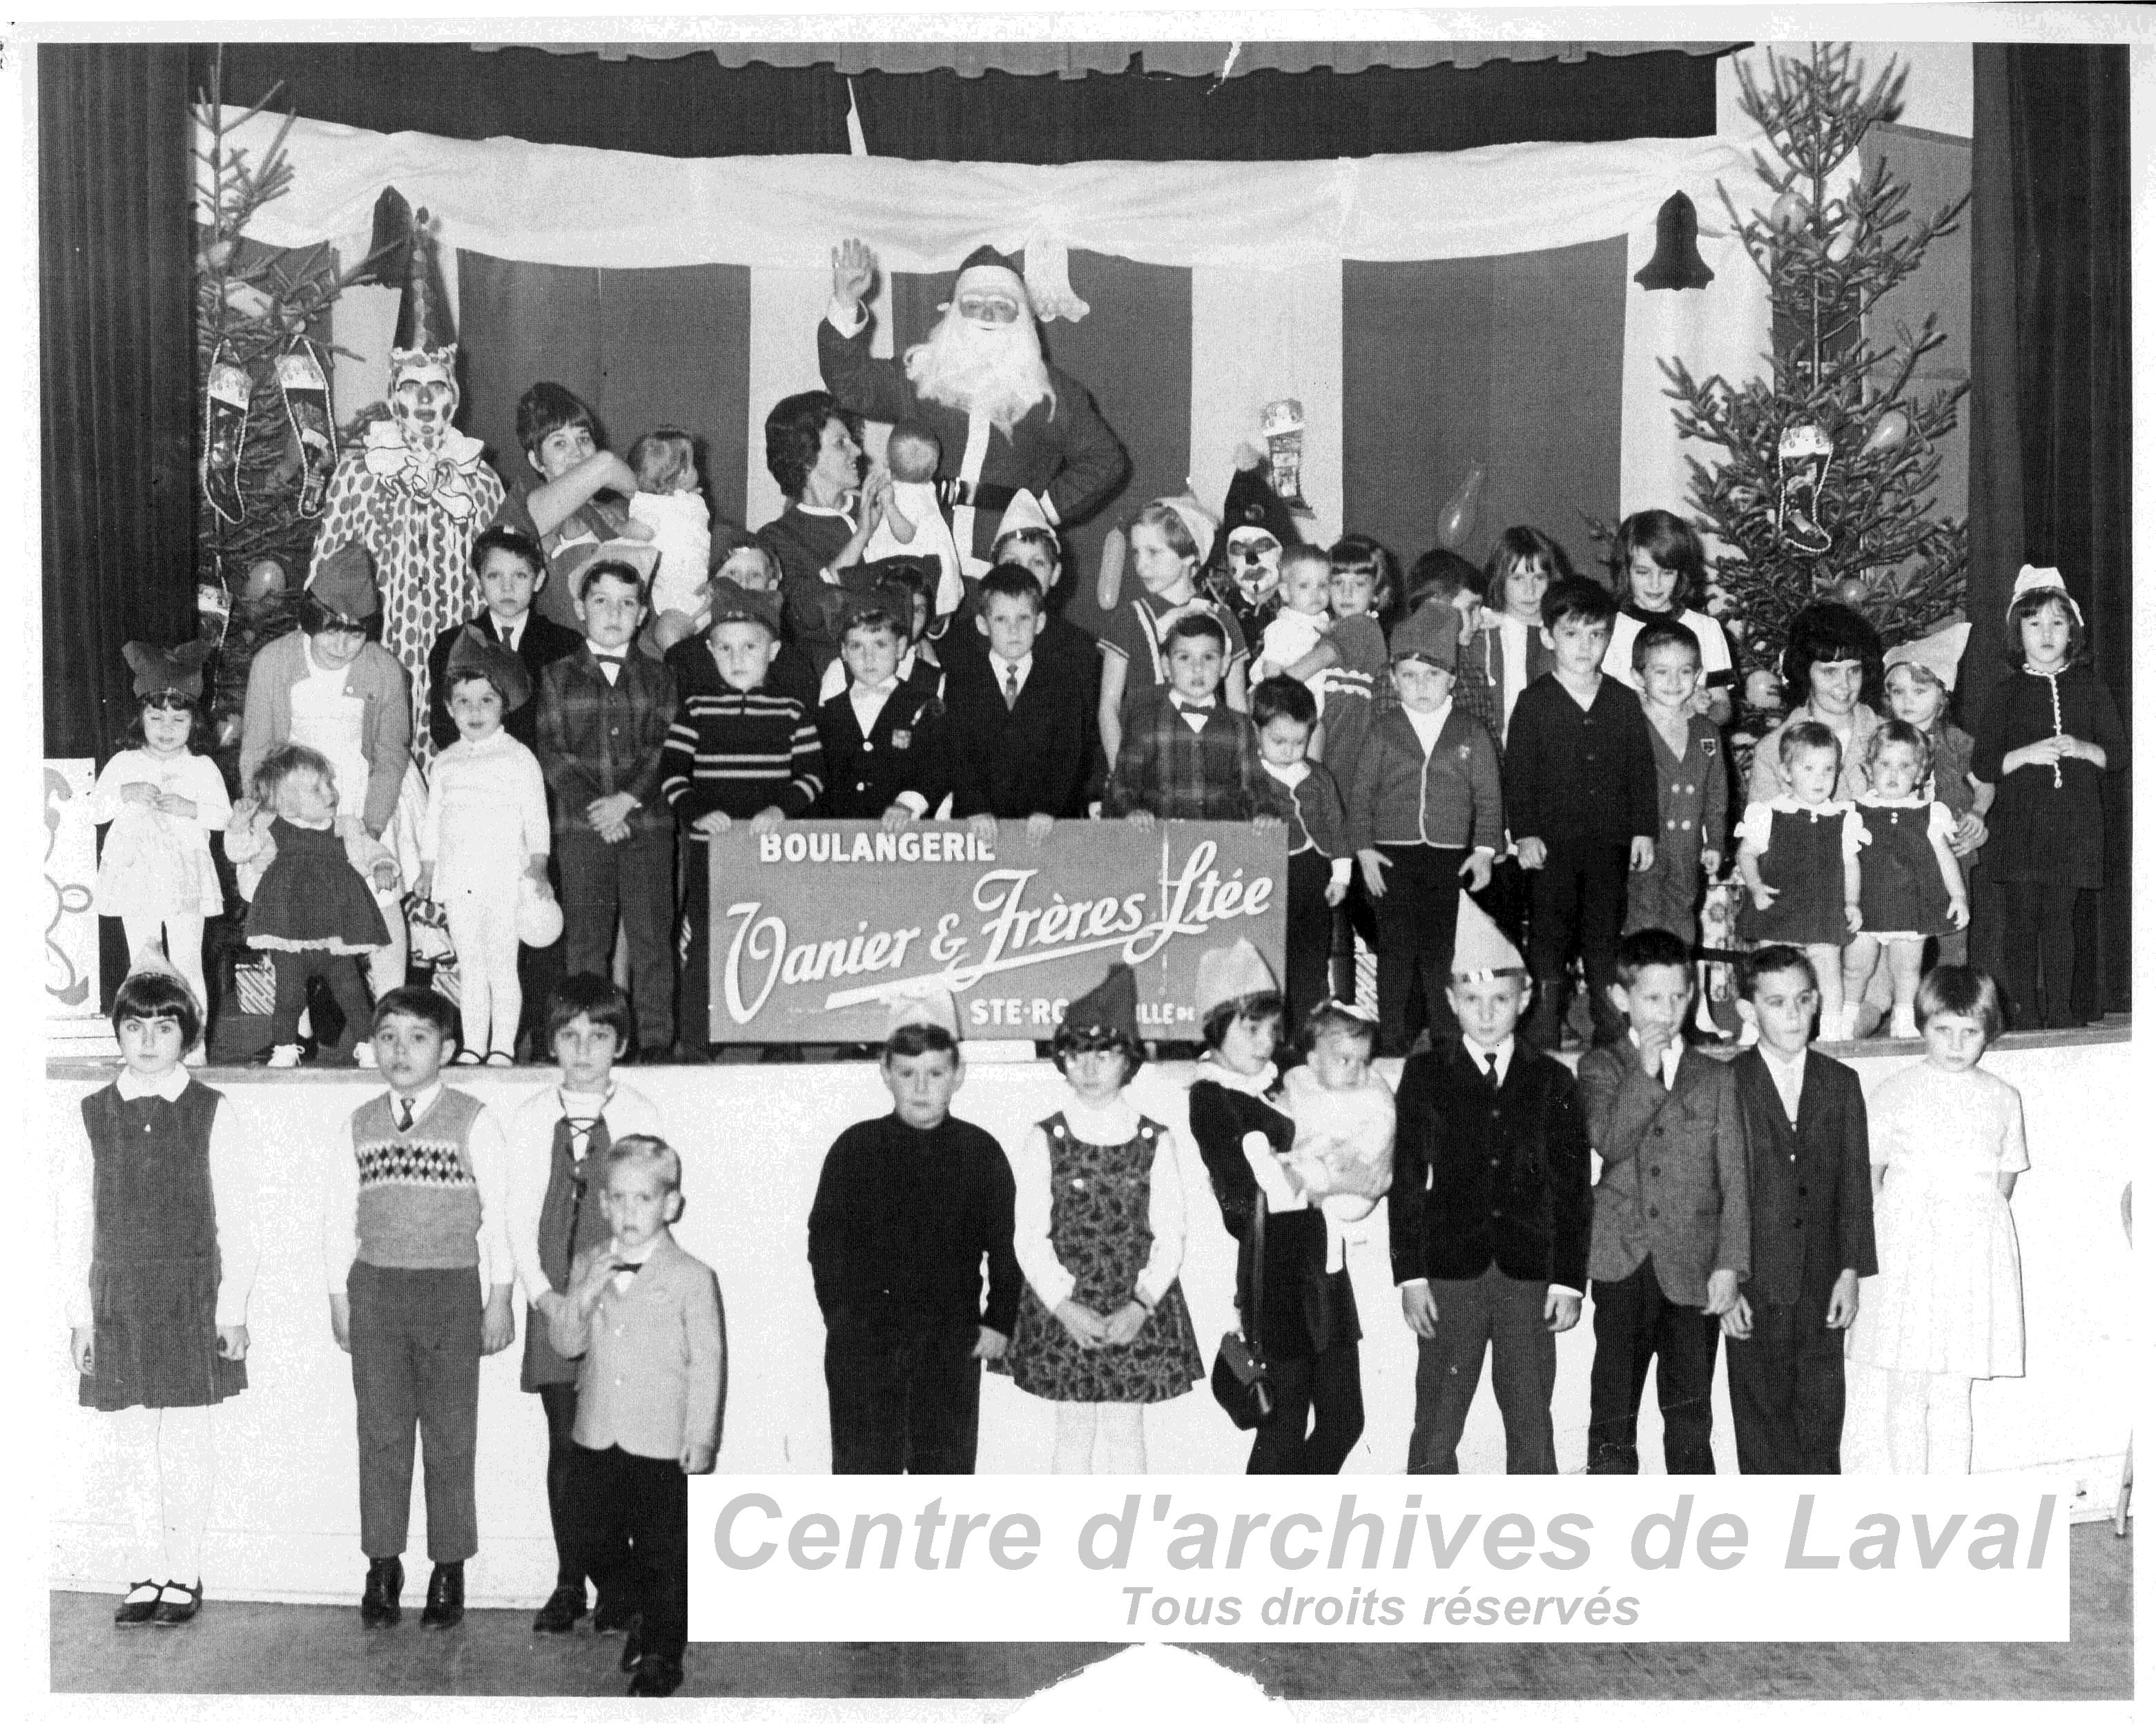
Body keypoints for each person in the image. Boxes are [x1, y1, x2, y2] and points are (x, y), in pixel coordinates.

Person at [59, 962, 257, 1625]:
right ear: (117, 1031)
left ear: (187, 1035)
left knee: (188, 1438)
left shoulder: (210, 1110)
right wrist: (78, 1318)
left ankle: (185, 1570)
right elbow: (72, 1221)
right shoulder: (91, 1114)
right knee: (131, 1441)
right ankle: (145, 1568)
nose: (147, 1040)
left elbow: (239, 1216)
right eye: (134, 1025)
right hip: (118, 1294)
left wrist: (233, 1310)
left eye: (164, 1026)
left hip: (189, 1291)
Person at [320, 986, 516, 1631]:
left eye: (418, 1037)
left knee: (451, 1435)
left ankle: (449, 1568)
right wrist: (338, 1297)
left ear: (448, 1048)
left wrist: (499, 1298)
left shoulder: (473, 1119)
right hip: (376, 1290)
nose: (401, 1051)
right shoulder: (357, 1123)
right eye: (388, 1037)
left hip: (451, 1291)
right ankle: (382, 1564)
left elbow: (499, 1221)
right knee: (380, 1433)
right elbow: (333, 1220)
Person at [1389, 898, 1590, 1473]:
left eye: (1500, 999)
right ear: (1451, 1001)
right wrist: (1410, 1273)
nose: (1485, 1013)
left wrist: (1567, 1280)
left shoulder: (1551, 1079)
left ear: (1524, 1000)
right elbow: (1406, 1179)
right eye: (1471, 1000)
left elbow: (1572, 1187)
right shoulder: (1426, 1074)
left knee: (1530, 1418)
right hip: (1449, 1270)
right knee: (1436, 1420)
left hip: (1528, 1274)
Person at [505, 975, 666, 1635]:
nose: (583, 1050)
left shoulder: (641, 1113)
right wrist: (544, 1296)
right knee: (567, 1448)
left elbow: (651, 1215)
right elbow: (516, 1216)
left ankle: (621, 1586)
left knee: (618, 1450)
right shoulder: (528, 1116)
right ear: (552, 1044)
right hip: (554, 1306)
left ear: (618, 1044)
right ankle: (571, 1581)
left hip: (619, 1305)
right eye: (569, 1036)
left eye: (597, 1036)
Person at [996, 964, 1205, 1472]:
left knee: (1125, 1432)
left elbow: (1170, 1234)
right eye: (1077, 1052)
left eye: (1105, 1052)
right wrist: (1063, 1306)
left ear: (1127, 1060)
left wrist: (1141, 1304)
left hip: (1133, 1303)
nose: (1090, 1066)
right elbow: (1028, 1235)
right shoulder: (1044, 1138)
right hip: (1066, 1305)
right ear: (1062, 1059)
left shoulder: (1155, 1139)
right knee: (1070, 1435)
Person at [808, 992, 1020, 1473]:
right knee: (864, 1480)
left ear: (958, 1074)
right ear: (885, 1072)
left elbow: (1008, 1246)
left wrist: (999, 1319)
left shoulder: (979, 1152)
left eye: (935, 1073)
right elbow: (825, 1243)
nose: (921, 1087)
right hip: (865, 1347)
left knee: (941, 1482)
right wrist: (841, 1316)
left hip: (948, 1343)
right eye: (907, 1073)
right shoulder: (855, 1148)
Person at [822, 239, 1126, 570]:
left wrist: (1041, 510)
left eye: (1001, 304)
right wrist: (845, 301)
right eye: (974, 303)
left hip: (1004, 569)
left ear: (1022, 315)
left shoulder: (1049, 393)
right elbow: (850, 384)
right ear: (955, 310)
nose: (988, 314)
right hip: (918, 561)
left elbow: (1106, 460)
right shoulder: (921, 375)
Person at [550, 1135, 724, 1698]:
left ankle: (661, 1654)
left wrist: (701, 1436)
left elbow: (707, 1363)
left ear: (670, 1204)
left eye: (643, 1199)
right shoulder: (588, 1262)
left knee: (663, 1552)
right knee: (593, 1537)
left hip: (660, 1439)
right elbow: (568, 1345)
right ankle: (635, 1605)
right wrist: (580, 1296)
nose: (629, 1212)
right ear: (602, 1202)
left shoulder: (692, 1276)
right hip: (596, 1431)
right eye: (618, 1198)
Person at [1186, 941, 1363, 1473]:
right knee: (1281, 1430)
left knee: (1342, 1421)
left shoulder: (1279, 1074)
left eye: (1272, 1029)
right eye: (1251, 1029)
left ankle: (1292, 1530)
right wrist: (1312, 1170)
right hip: (1278, 1278)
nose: (1267, 1042)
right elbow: (1242, 1204)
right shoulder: (1213, 1097)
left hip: (1326, 1268)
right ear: (1215, 1025)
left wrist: (1307, 1166)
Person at [1576, 928, 1749, 1473]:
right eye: (1652, 998)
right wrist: (1644, 1072)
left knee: (1690, 1414)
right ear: (1620, 998)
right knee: (1612, 1410)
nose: (1667, 1010)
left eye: (1678, 996)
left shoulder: (1717, 1075)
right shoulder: (1600, 1067)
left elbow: (1734, 1179)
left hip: (1692, 1265)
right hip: (1621, 1261)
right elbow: (1609, 1139)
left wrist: (1730, 1265)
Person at [1844, 967, 2027, 1473]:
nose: (1956, 1044)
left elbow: (2003, 1182)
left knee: (1953, 1392)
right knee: (1907, 1389)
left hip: (1969, 1259)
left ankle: (1948, 1508)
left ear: (1987, 1032)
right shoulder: (1894, 1091)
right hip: (1909, 1256)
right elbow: (1870, 1174)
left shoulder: (2001, 1097)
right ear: (1923, 1024)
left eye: (1970, 1032)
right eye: (1943, 1030)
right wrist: (1905, 1226)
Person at [240, 543, 420, 1003]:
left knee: (380, 898)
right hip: (295, 795)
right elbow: (258, 749)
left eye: (355, 634)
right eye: (332, 631)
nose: (342, 645)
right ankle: (293, 1027)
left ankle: (392, 1008)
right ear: (310, 619)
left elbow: (390, 755)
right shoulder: (273, 662)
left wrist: (372, 830)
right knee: (292, 905)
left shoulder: (384, 670)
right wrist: (264, 816)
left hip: (362, 792)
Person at [1722, 946, 1876, 1473]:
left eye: (1803, 1000)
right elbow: (1714, 1194)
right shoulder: (1726, 1083)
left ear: (1816, 1003)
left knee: (1819, 1421)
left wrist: (1850, 1271)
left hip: (1820, 1282)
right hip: (1752, 1284)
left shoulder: (1840, 1083)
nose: (1791, 1014)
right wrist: (1725, 1286)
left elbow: (1855, 1186)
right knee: (1759, 1426)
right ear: (1749, 1011)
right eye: (1776, 1001)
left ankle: (1817, 1544)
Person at [659, 580, 823, 1056]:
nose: (737, 658)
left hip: (771, 845)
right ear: (709, 652)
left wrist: (780, 808)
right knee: (708, 939)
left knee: (777, 935)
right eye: (725, 648)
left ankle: (780, 1038)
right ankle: (697, 1038)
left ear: (772, 651)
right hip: (713, 845)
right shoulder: (695, 709)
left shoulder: (793, 711)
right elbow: (672, 772)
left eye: (749, 647)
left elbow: (812, 775)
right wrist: (696, 812)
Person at [1504, 576, 1659, 1051]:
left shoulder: (1621, 700)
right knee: (1548, 933)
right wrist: (1524, 833)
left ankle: (1607, 1019)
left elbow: (1640, 770)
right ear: (1549, 636)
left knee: (1603, 933)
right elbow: (1518, 774)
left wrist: (1642, 831)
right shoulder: (1534, 703)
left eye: (1595, 634)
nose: (1584, 646)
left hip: (1608, 843)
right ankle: (1544, 1021)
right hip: (1551, 846)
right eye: (1571, 634)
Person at [536, 555, 681, 1060]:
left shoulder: (662, 677)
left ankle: (657, 1041)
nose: (614, 613)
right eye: (601, 601)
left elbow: (667, 748)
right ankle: (583, 1038)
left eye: (626, 603)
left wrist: (627, 800)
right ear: (580, 608)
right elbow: (552, 753)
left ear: (642, 613)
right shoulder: (556, 677)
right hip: (581, 828)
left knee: (651, 939)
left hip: (648, 825)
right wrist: (597, 808)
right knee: (586, 943)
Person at [1970, 565, 2126, 1030]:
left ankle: (2058, 1015)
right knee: (2021, 924)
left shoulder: (2090, 687)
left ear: (2071, 631)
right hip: (2019, 829)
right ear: (2017, 630)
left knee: (2060, 922)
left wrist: (2080, 747)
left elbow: (2117, 755)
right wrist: (2026, 754)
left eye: (2057, 623)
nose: (2045, 633)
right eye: (2034, 623)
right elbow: (1983, 764)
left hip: (2073, 828)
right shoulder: (2005, 692)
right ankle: (2022, 1015)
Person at [1347, 602, 1502, 1058]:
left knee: (1443, 951)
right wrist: (1364, 849)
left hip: (1448, 857)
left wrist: (1484, 851)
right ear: (1393, 679)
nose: (1420, 686)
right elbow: (1360, 796)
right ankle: (1392, 1039)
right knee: (1395, 951)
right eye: (1409, 675)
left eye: (1432, 675)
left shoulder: (1470, 732)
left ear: (1452, 678)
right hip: (1391, 856)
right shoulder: (1383, 730)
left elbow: (1489, 798)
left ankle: (1446, 1039)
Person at [418, 631, 555, 1067]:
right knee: (470, 966)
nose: (474, 712)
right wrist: (427, 870)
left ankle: (502, 1046)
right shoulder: (445, 762)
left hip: (504, 878)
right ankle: (473, 1044)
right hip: (461, 879)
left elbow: (537, 817)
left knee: (501, 964)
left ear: (504, 706)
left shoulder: (519, 758)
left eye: (486, 701)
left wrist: (539, 866)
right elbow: (432, 821)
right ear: (448, 708)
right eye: (463, 702)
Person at [91, 642, 230, 1047]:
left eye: (178, 718)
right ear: (141, 719)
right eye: (156, 717)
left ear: (194, 722)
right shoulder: (124, 763)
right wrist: (124, 793)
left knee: (187, 959)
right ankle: (139, 1042)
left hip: (185, 876)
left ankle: (195, 1045)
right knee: (144, 958)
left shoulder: (202, 767)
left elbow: (222, 817)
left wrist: (191, 808)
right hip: (137, 874)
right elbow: (95, 810)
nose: (167, 728)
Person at [226, 744, 391, 1068]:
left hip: (334, 932)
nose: (330, 792)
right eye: (317, 788)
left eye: (329, 783)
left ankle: (367, 1045)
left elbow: (371, 850)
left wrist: (382, 863)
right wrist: (239, 824)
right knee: (288, 996)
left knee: (352, 991)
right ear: (287, 801)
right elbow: (238, 852)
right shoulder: (271, 830)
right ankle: (286, 1047)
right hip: (289, 930)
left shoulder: (344, 828)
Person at [1735, 721, 1869, 1042]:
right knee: (1770, 969)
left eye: (1828, 769)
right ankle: (1756, 1027)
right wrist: (1755, 887)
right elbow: (1746, 854)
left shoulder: (1843, 818)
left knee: (1828, 968)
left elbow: (1851, 864)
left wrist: (1851, 903)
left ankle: (1833, 1030)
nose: (1820, 778)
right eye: (1808, 768)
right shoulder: (1767, 814)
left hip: (1822, 908)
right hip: (1778, 905)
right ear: (1786, 772)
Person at [943, 563, 1098, 835]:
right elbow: (957, 751)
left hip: (1047, 824)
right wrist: (974, 807)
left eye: (1023, 619)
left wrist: (1049, 809)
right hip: (979, 824)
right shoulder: (962, 681)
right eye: (1001, 620)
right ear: (982, 624)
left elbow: (1069, 754)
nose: (1013, 630)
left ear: (1039, 622)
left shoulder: (1063, 681)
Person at [1099, 496, 1251, 764]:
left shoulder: (1223, 619)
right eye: (1136, 552)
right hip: (1144, 757)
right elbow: (1108, 708)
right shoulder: (1130, 617)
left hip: (1206, 757)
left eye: (1153, 552)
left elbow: (1237, 705)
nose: (1141, 564)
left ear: (1189, 555)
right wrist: (1119, 771)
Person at [753, 391, 891, 677]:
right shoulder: (777, 538)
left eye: (852, 440)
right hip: (829, 680)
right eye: (841, 444)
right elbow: (809, 614)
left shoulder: (879, 504)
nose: (857, 451)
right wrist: (862, 536)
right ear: (806, 459)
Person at [1845, 723, 1970, 1038]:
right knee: (1856, 968)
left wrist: (1958, 897)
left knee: (1906, 970)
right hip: (1866, 906)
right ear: (1869, 770)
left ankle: (1904, 1019)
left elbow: (1945, 859)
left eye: (1905, 766)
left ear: (1920, 774)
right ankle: (1844, 1018)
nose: (1893, 773)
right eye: (1884, 764)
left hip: (1910, 906)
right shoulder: (1854, 812)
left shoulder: (1930, 813)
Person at [1881, 622, 1991, 973]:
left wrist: (1977, 812)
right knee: (1900, 930)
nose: (1907, 701)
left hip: (1950, 847)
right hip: (1899, 848)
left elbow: (1985, 783)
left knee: (1952, 929)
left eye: (1919, 691)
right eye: (1898, 692)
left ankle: (1950, 995)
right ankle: (1903, 1001)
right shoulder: (1886, 741)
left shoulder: (1956, 741)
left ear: (1942, 695)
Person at [493, 382, 641, 633]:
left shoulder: (619, 515)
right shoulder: (526, 508)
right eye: (560, 443)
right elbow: (606, 464)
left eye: (584, 438)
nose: (578, 453)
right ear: (537, 461)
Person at [425, 525, 583, 755]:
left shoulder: (565, 644)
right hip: (474, 773)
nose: (507, 587)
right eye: (494, 575)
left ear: (538, 579)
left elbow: (575, 731)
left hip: (544, 778)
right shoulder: (451, 643)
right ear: (478, 581)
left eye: (519, 575)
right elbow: (443, 728)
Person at [1249, 675, 1350, 1031]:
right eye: (1279, 741)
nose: (1290, 750)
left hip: (1315, 874)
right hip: (1269, 878)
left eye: (1299, 741)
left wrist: (1341, 875)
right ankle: (1271, 1033)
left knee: (1311, 956)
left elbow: (1338, 827)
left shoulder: (1319, 776)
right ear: (1256, 732)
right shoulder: (1248, 778)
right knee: (1272, 958)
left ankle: (1307, 1032)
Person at [1104, 613, 1273, 826]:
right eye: (1184, 657)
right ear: (1166, 666)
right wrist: (1132, 811)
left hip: (1219, 846)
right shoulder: (1145, 722)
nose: (1197, 668)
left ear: (1224, 665)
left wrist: (1263, 813)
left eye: (1209, 657)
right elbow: (1124, 783)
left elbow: (1254, 787)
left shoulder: (1239, 725)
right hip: (1160, 845)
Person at [1624, 618, 1729, 949]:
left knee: (1681, 917)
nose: (1674, 682)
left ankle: (1679, 987)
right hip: (1642, 847)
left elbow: (1716, 794)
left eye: (1685, 671)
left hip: (1686, 849)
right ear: (1638, 677)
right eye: (1661, 672)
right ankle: (1645, 988)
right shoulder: (1630, 728)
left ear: (1698, 675)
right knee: (1643, 921)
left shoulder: (1706, 733)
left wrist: (1715, 842)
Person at [815, 595, 949, 823]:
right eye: (857, 646)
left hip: (904, 836)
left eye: (880, 644)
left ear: (900, 647)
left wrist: (907, 804)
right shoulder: (828, 713)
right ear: (844, 653)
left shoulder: (923, 705)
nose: (869, 657)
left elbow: (936, 765)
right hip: (842, 839)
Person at [1746, 600, 1885, 808]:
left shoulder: (1889, 737)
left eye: (1854, 670)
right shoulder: (1773, 750)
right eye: (1830, 672)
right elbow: (1760, 835)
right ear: (1805, 672)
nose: (1845, 685)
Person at [1604, 509, 1736, 726]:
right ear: (1625, 571)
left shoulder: (1707, 629)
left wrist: (1699, 711)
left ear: (1681, 573)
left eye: (1667, 573)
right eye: (1643, 572)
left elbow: (1722, 707)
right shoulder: (1609, 628)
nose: (1655, 584)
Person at [1278, 1000, 1395, 1221]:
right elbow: (1289, 1113)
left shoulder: (1371, 1088)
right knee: (1300, 1161)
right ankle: (1286, 1176)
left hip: (1362, 1176)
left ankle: (1295, 1180)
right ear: (1315, 1062)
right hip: (1318, 1179)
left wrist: (1353, 1149)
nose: (1357, 1071)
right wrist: (1283, 1104)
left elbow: (1385, 1122)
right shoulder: (1302, 1081)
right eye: (1345, 1060)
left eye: (1363, 1061)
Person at [1461, 527, 1567, 748]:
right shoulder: (1480, 635)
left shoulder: (1565, 637)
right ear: (1500, 581)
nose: (1530, 590)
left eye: (1538, 577)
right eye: (1518, 578)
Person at [857, 421, 967, 620]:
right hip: (920, 563)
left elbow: (906, 535)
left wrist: (890, 507)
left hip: (908, 562)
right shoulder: (919, 490)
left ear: (887, 461)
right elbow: (908, 533)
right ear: (934, 468)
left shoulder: (906, 493)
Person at [625, 429, 715, 653]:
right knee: (668, 633)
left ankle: (681, 665)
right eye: (694, 465)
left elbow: (639, 533)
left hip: (680, 603)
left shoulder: (649, 505)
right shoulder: (693, 503)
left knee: (666, 634)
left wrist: (617, 525)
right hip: (695, 596)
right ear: (683, 475)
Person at [1252, 543, 1334, 688]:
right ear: (1285, 592)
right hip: (1290, 701)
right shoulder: (1282, 628)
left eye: (1322, 585)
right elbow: (1272, 673)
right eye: (1304, 586)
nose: (1315, 593)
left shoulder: (1325, 622)